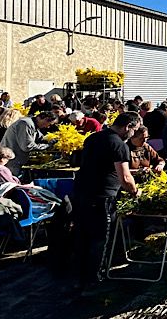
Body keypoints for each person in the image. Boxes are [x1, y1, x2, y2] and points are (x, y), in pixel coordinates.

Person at [72, 112, 139, 293]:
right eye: (134, 130)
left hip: (81, 193)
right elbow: (125, 177)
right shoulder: (118, 145)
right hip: (103, 197)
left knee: (82, 237)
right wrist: (135, 191)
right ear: (128, 127)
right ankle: (95, 279)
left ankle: (79, 277)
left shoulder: (93, 138)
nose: (133, 135)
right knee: (100, 238)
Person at [0, 110, 57, 177]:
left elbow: (41, 138)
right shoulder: (26, 124)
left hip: (15, 160)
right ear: (45, 119)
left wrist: (52, 140)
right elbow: (27, 146)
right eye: (49, 124)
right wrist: (47, 146)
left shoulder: (33, 125)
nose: (48, 127)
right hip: (11, 161)